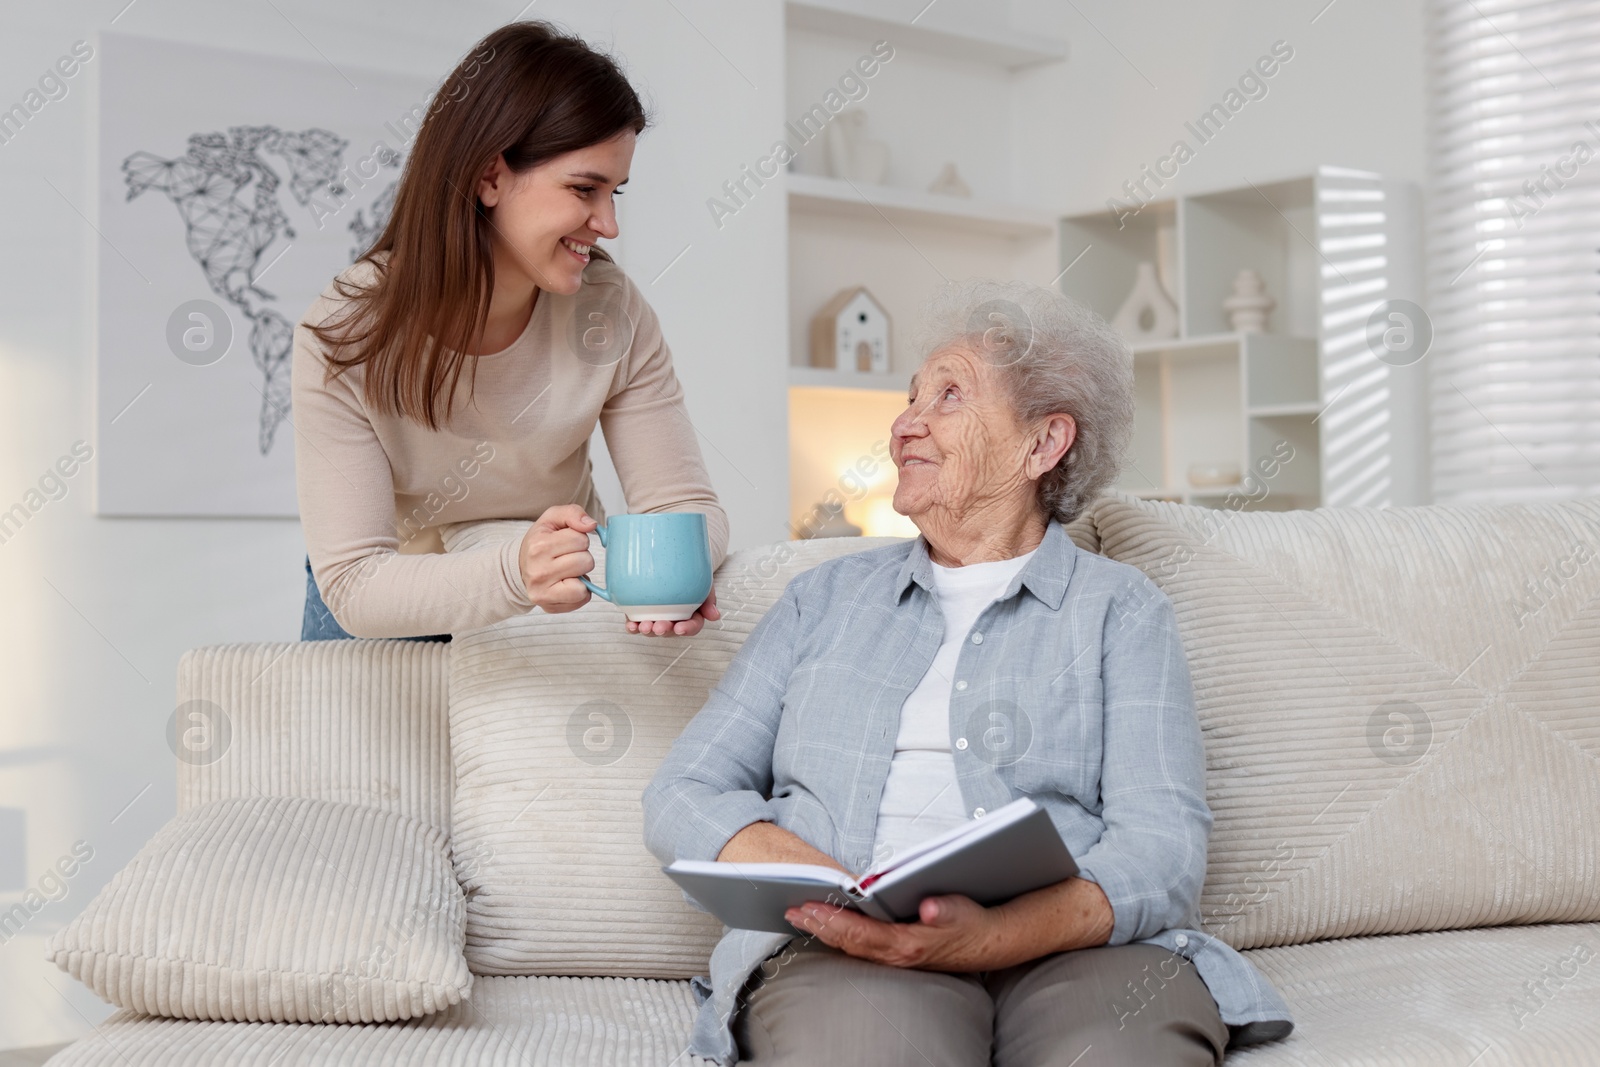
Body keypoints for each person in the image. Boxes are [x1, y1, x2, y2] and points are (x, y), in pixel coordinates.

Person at [643, 280, 1294, 1066]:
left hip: (1071, 950)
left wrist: (999, 935)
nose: (905, 423)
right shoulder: (823, 601)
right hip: (846, 946)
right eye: (910, 396)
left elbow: (1163, 849)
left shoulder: (1122, 610)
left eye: (948, 395)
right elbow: (683, 792)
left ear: (1043, 444)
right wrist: (835, 883)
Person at [293, 21, 725, 642]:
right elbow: (357, 582)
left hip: (553, 592)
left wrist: (674, 579)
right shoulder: (345, 333)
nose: (608, 223)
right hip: (393, 604)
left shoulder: (610, 313)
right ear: (490, 177)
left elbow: (686, 507)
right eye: (585, 189)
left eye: (615, 192)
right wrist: (514, 573)